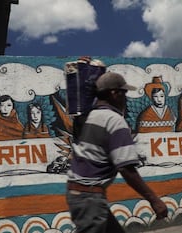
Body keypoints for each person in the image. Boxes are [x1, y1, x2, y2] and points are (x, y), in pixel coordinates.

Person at [66, 72, 168, 233]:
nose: (125, 99)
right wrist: (154, 200)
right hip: (90, 197)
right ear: (114, 93)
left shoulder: (92, 116)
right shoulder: (114, 120)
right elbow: (126, 169)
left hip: (79, 194)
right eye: (123, 93)